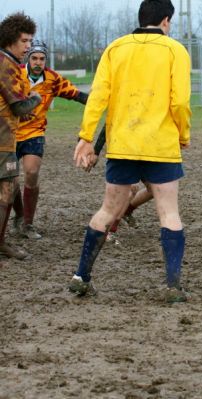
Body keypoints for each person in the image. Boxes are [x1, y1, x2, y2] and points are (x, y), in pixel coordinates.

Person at [68, 0, 191, 303]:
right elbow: (179, 102)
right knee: (169, 213)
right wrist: (183, 134)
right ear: (165, 20)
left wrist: (86, 136)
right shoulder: (175, 50)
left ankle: (81, 277)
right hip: (161, 146)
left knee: (108, 211)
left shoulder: (116, 48)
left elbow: (98, 97)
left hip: (122, 145)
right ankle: (173, 285)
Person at [12, 40, 88, 239]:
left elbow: (75, 94)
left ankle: (28, 224)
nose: (38, 62)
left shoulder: (52, 79)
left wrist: (99, 101)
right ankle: (19, 217)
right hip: (9, 133)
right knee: (10, 181)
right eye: (34, 58)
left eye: (42, 59)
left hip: (34, 133)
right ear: (28, 58)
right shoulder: (14, 73)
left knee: (31, 172)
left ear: (46, 60)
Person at [0, 12, 40, 260]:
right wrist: (36, 99)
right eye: (25, 41)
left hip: (5, 135)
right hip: (2, 140)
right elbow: (19, 106)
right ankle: (1, 243)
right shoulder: (6, 65)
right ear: (10, 40)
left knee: (10, 186)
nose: (28, 46)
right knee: (7, 189)